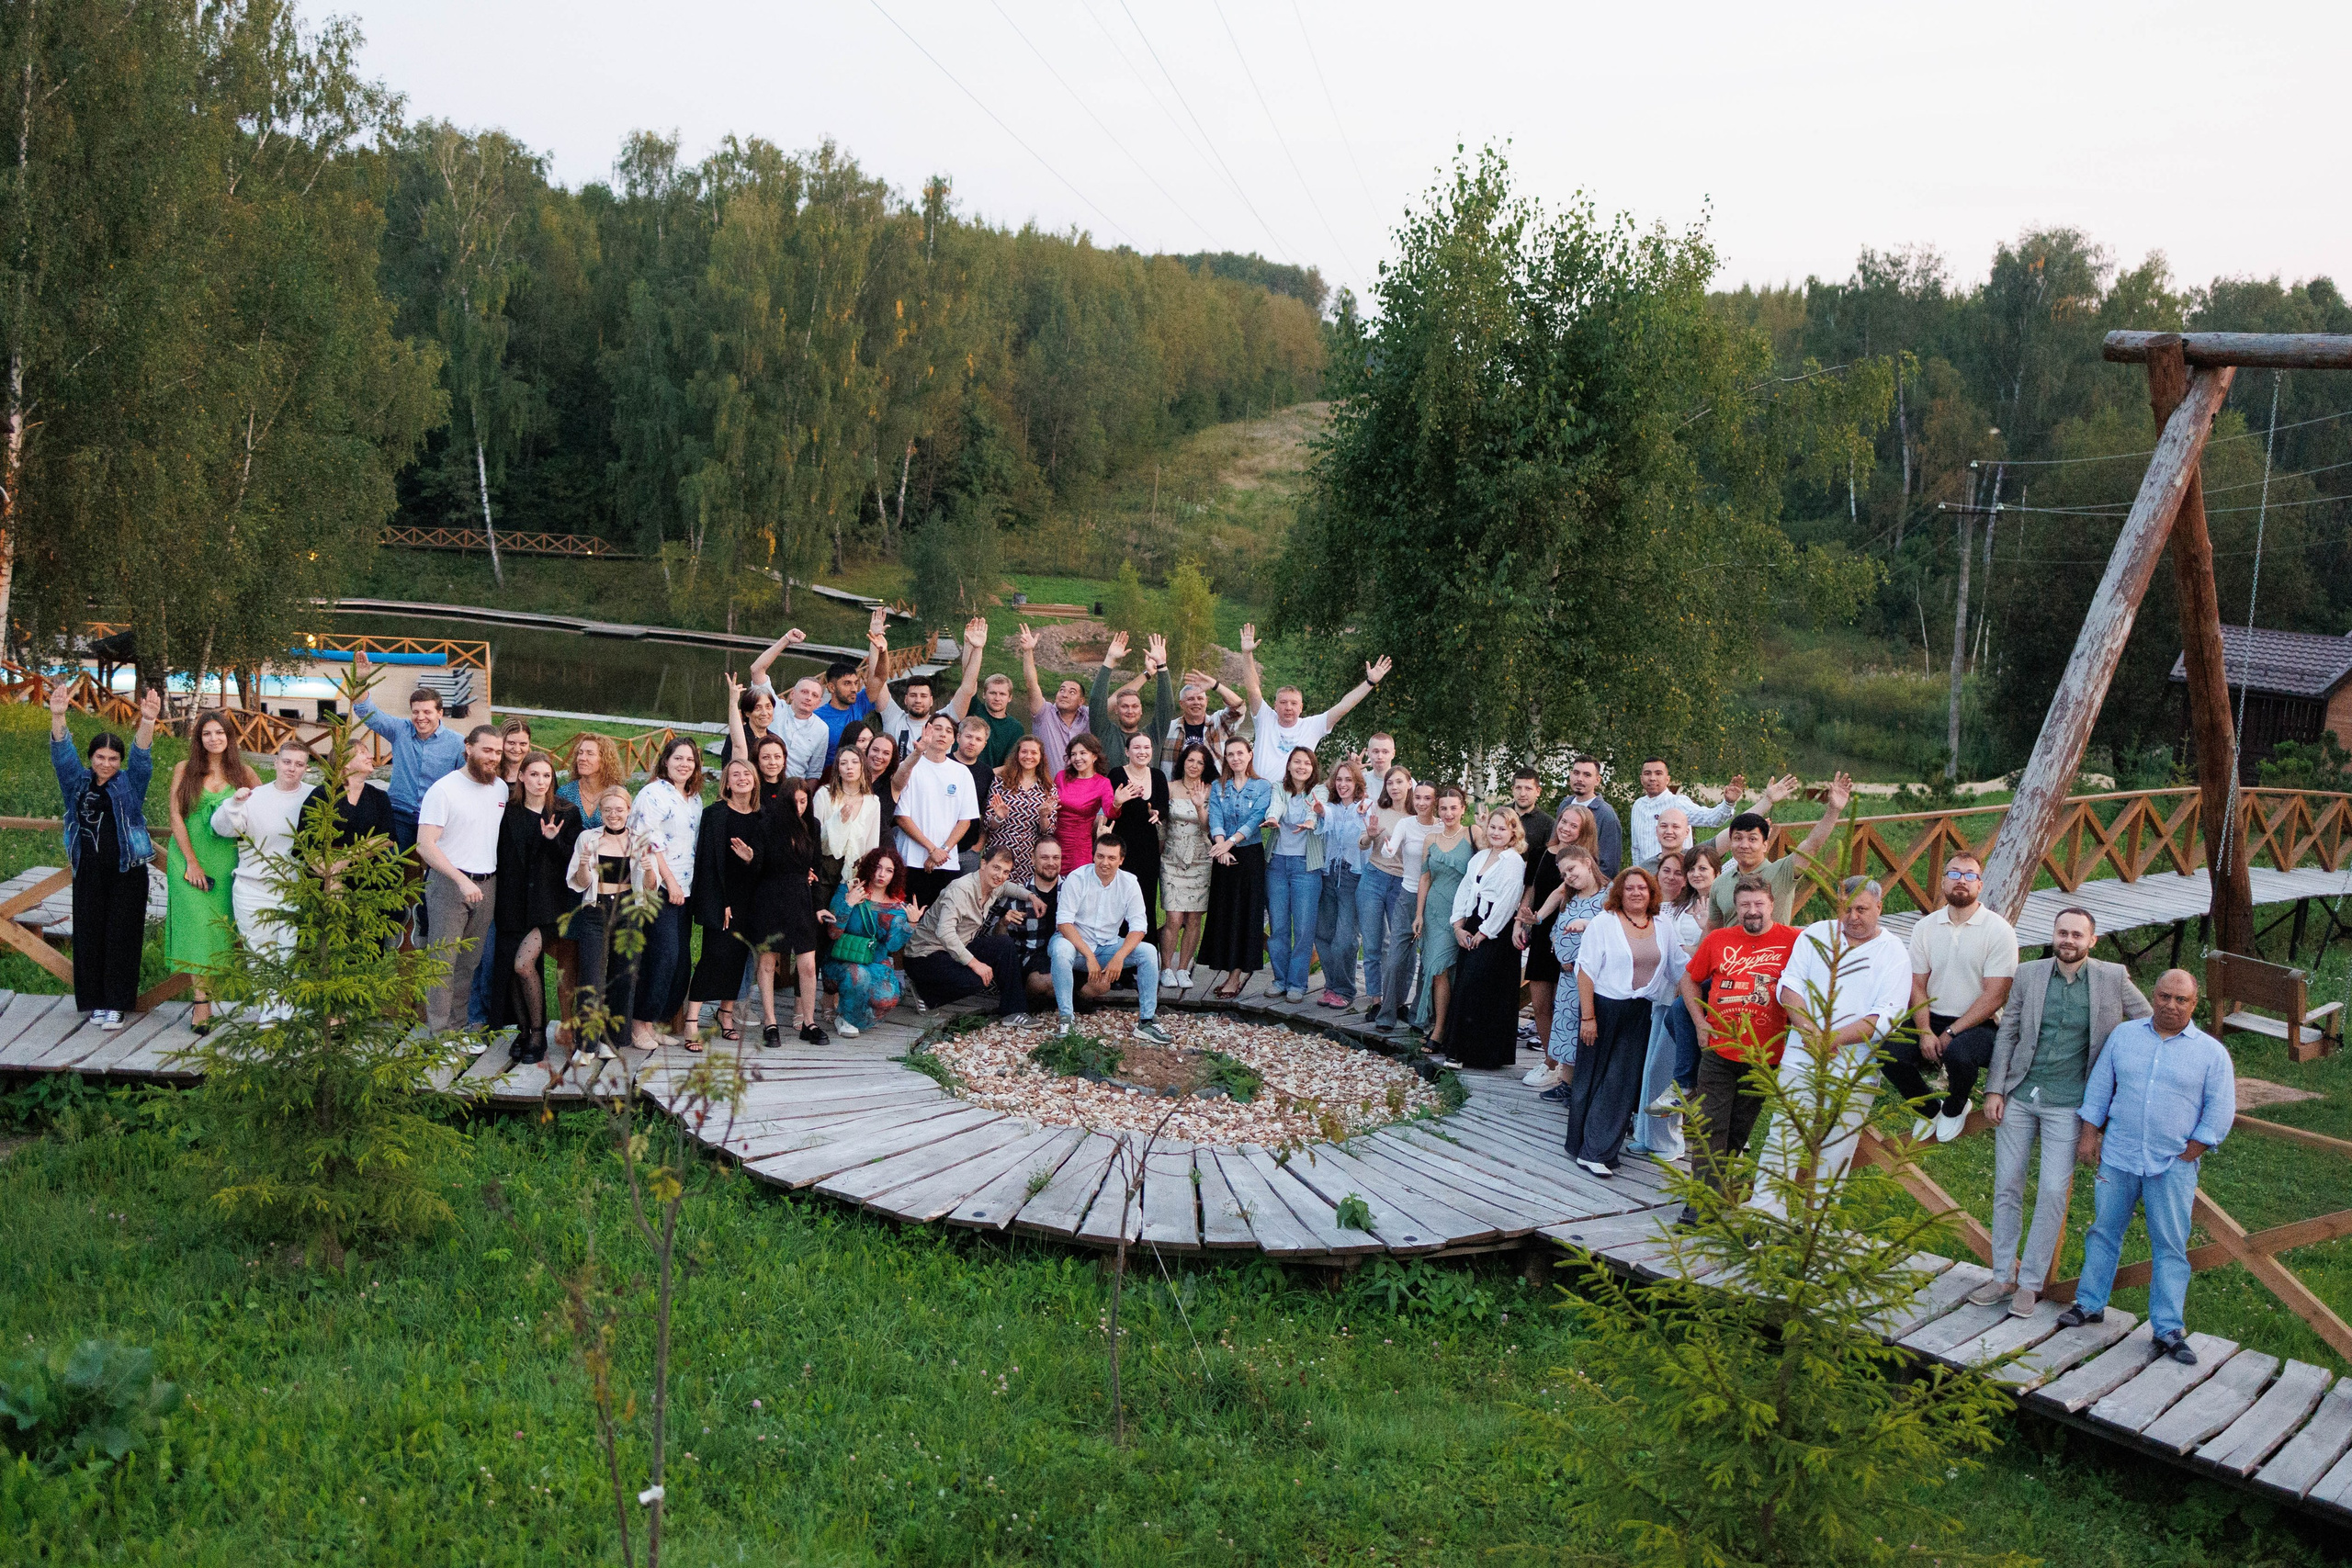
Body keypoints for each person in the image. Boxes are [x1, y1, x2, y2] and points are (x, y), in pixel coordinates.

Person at [1969, 906, 2153, 1317]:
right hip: (2019, 1095)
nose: (2068, 941)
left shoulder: (2112, 977)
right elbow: (2009, 1032)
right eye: (2062, 933)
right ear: (2053, 935)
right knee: (2007, 1186)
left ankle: (2030, 1283)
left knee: (2052, 1191)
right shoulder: (2030, 974)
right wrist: (1994, 1088)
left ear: (2092, 940)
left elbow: (2150, 1021)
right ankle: (2002, 1275)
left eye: (2076, 935)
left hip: (2071, 1104)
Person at [2057, 969, 2233, 1366]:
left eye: (2181, 1000)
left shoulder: (2211, 1054)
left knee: (2170, 1245)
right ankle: (2089, 1303)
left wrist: (2192, 1150)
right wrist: (2089, 1133)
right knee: (2104, 1230)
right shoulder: (2124, 1036)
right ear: (2153, 996)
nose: (2171, 1005)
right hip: (2118, 1155)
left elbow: (2220, 1110)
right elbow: (2101, 1087)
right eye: (2164, 996)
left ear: (2194, 1003)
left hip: (2170, 1163)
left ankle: (2168, 1328)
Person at [1748, 876, 1914, 1217]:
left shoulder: (1894, 952)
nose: (1853, 916)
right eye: (1846, 908)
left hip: (1855, 1069)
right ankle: (1763, 1219)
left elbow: (1887, 1015)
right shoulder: (1816, 935)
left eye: (1862, 909)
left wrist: (1833, 1040)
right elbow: (1789, 987)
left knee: (1836, 1153)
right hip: (1800, 1059)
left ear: (1880, 907)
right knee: (1782, 1140)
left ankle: (1816, 1230)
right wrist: (1811, 1034)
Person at [1676, 874, 1801, 1225]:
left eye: (1758, 904)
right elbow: (1688, 978)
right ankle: (1699, 1202)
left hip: (1765, 1055)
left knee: (1738, 1128)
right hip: (1719, 1049)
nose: (1752, 911)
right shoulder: (1718, 939)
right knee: (1709, 1124)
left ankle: (1718, 1190)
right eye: (1744, 905)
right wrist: (1700, 1023)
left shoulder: (1795, 940)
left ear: (1772, 904)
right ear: (1736, 906)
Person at [1890, 852, 2019, 1143]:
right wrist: (1924, 1030)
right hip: (1931, 1015)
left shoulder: (1999, 931)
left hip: (1980, 1023)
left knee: (1958, 1053)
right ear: (1944, 882)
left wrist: (1952, 1031)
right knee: (1890, 1053)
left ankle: (1955, 1106)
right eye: (1954, 874)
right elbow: (1917, 985)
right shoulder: (1925, 927)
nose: (1962, 880)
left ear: (1980, 885)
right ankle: (1929, 1110)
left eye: (1970, 875)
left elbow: (1995, 995)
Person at [1565, 866, 1684, 1176]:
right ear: (1619, 892)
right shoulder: (1604, 923)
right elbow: (1585, 971)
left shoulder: (1663, 924)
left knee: (1620, 1081)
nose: (1636, 893)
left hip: (1638, 1012)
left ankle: (1597, 1151)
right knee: (1591, 1078)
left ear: (1651, 892)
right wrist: (1587, 1017)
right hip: (1601, 1009)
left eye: (1642, 888)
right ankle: (1583, 1147)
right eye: (1629, 888)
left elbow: (1678, 969)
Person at [413, 726, 508, 1037]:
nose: (493, 757)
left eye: (497, 751)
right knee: (442, 962)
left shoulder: (500, 790)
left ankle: (457, 1028)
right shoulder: (444, 790)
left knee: (468, 963)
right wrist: (460, 879)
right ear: (468, 748)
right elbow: (425, 845)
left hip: (487, 884)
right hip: (448, 884)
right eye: (487, 750)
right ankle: (441, 1035)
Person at [165, 710, 255, 1032]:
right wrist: (191, 862)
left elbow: (265, 808)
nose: (214, 738)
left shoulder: (243, 773)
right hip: (188, 860)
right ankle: (201, 1004)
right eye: (207, 734)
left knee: (220, 931)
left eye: (220, 733)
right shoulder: (184, 770)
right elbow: (175, 815)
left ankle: (225, 997)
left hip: (227, 861)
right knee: (197, 929)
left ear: (229, 737)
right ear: (199, 739)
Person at [490, 750, 581, 1061]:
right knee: (512, 969)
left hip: (549, 906)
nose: (540, 781)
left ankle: (539, 1034)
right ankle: (524, 1030)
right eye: (534, 775)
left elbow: (575, 861)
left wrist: (554, 840)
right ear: (523, 777)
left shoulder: (565, 812)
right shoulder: (509, 811)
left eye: (546, 776)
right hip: (512, 902)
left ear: (552, 779)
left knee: (523, 964)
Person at [1629, 847, 1713, 1159]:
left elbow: (1701, 954)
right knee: (1653, 1070)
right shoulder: (1671, 908)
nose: (1686, 876)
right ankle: (1648, 1135)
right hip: (1664, 994)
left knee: (1669, 1070)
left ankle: (1669, 1141)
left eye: (1687, 870)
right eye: (1675, 871)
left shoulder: (1705, 906)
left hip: (1686, 996)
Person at [1050, 833, 1175, 1042]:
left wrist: (1119, 956)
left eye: (1111, 858)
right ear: (1093, 856)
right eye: (1100, 856)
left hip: (1109, 945)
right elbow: (1064, 923)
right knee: (1061, 950)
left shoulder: (1129, 883)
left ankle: (1147, 1021)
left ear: (1121, 860)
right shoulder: (1077, 878)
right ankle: (1066, 1019)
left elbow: (1139, 927)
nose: (1104, 863)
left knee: (1148, 952)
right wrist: (1089, 956)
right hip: (1076, 944)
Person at [565, 786, 656, 1062]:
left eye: (619, 810)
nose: (613, 815)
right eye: (608, 810)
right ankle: (586, 1044)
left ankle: (612, 1039)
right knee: (592, 977)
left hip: (627, 911)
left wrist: (649, 867)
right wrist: (583, 865)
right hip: (596, 911)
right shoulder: (588, 838)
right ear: (601, 813)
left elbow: (650, 888)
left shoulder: (640, 840)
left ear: (628, 811)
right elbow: (580, 884)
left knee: (624, 977)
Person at [1234, 621, 1389, 782]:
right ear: (1275, 705)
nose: (1288, 707)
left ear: (1301, 707)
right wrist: (1247, 654)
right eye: (1283, 702)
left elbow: (1344, 707)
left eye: (1294, 703)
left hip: (1296, 795)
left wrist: (1369, 683)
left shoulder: (1312, 726)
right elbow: (1253, 689)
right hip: (1261, 793)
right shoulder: (1265, 718)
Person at [627, 738, 705, 1046]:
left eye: (690, 760)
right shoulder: (653, 793)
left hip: (687, 889)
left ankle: (654, 1022)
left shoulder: (694, 797)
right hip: (660, 887)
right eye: (678, 758)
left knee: (681, 961)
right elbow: (646, 840)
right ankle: (638, 1024)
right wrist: (669, 881)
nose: (684, 764)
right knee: (663, 957)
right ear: (666, 760)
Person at [1514, 806, 1600, 1082]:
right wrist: (1522, 921)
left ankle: (1563, 1065)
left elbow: (1561, 891)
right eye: (1563, 821)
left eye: (1573, 825)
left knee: (1565, 1006)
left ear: (1582, 832)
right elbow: (1533, 890)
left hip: (1571, 938)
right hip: (1541, 932)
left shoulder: (1585, 861)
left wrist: (1540, 917)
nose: (1565, 828)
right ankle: (1549, 1060)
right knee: (1540, 1003)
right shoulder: (1541, 854)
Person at [687, 757, 767, 1047]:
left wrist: (752, 858)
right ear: (727, 782)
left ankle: (726, 1014)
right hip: (722, 899)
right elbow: (706, 863)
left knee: (738, 959)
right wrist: (719, 902)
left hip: (750, 901)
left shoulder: (761, 817)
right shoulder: (715, 814)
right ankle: (691, 1022)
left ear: (754, 780)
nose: (742, 778)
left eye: (747, 773)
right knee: (713, 957)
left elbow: (765, 862)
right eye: (735, 774)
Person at [1440, 807, 1528, 1069]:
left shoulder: (1513, 861)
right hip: (1473, 920)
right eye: (1493, 827)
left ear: (1513, 832)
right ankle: (1459, 1050)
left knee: (1479, 987)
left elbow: (1508, 900)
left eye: (1503, 828)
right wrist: (1458, 924)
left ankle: (1481, 1054)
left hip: (1495, 930)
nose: (1497, 833)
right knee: (1465, 983)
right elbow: (1465, 888)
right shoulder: (1480, 857)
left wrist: (1485, 932)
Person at [351, 654, 465, 851]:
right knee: (387, 865)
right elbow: (366, 712)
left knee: (437, 871)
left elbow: (465, 784)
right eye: (416, 712)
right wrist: (361, 681)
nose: (420, 718)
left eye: (427, 712)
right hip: (398, 814)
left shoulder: (458, 743)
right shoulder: (400, 730)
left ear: (440, 713)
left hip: (436, 819)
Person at [902, 846, 1031, 1017]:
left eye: (1006, 872)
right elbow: (944, 932)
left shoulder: (993, 885)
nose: (1000, 876)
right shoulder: (961, 889)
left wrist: (1032, 897)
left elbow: (1007, 887)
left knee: (1004, 944)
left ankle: (1014, 1012)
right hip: (924, 956)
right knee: (977, 980)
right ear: (983, 863)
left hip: (951, 951)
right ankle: (926, 993)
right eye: (996, 868)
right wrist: (975, 964)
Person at [1710, 773, 1851, 927]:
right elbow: (1712, 929)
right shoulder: (1719, 883)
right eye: (1738, 838)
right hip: (1733, 950)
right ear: (1731, 843)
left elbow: (1811, 846)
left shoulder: (1783, 872)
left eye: (1752, 839)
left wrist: (1833, 810)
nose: (1744, 845)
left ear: (1765, 844)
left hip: (1774, 950)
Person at [1201, 737, 1276, 998]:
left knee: (1246, 915)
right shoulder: (1218, 786)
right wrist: (1220, 845)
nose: (1235, 759)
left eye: (1239, 753)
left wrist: (1229, 843)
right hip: (1223, 856)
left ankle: (1236, 975)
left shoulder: (1262, 786)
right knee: (1225, 913)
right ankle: (1227, 967)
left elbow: (1257, 819)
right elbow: (1215, 816)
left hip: (1249, 856)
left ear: (1250, 754)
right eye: (1230, 754)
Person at [755, 780, 828, 1046]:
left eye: (803, 801)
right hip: (771, 896)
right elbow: (762, 865)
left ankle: (809, 1022)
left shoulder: (813, 825)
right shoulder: (766, 824)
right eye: (794, 801)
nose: (799, 807)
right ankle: (770, 1021)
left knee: (808, 965)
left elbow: (816, 867)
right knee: (768, 961)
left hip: (801, 897)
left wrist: (819, 904)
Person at [1535, 845, 1611, 1090]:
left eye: (1571, 869)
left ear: (1587, 863)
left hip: (1593, 978)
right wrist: (1559, 950)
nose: (1568, 876)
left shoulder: (1608, 896)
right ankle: (1565, 1083)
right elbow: (1557, 930)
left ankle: (1584, 1086)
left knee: (1586, 1029)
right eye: (1564, 874)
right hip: (1567, 976)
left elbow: (1612, 932)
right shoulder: (1571, 898)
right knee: (1566, 1026)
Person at [822, 847, 917, 1035]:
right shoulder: (848, 890)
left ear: (895, 875)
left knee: (888, 997)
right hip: (843, 959)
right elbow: (833, 933)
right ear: (870, 867)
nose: (882, 874)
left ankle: (853, 1015)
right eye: (878, 867)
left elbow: (892, 945)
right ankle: (846, 1018)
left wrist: (911, 924)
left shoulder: (897, 906)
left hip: (876, 961)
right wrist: (848, 903)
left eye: (889, 870)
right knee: (859, 976)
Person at [1371, 780, 1441, 1032]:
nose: (1421, 803)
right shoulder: (1405, 824)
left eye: (1427, 798)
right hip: (1408, 894)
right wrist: (1387, 846)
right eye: (1418, 798)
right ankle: (1386, 1013)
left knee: (1428, 960)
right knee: (1395, 958)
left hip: (1436, 901)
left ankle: (1419, 1015)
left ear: (1436, 801)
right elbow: (1390, 852)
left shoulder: (1444, 827)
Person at [894, 713, 979, 908]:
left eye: (949, 731)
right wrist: (932, 849)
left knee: (937, 923)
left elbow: (965, 820)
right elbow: (901, 816)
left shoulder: (961, 773)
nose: (942, 734)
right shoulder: (910, 767)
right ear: (926, 731)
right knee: (908, 920)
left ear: (954, 739)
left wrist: (943, 850)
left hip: (946, 862)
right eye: (937, 728)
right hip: (912, 860)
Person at [1409, 785, 1474, 1038]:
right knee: (1438, 969)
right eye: (1444, 808)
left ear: (1463, 809)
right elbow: (1424, 879)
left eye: (1453, 808)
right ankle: (1438, 1028)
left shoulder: (1473, 834)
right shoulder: (1431, 839)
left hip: (1461, 912)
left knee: (1450, 969)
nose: (1448, 814)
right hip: (1435, 911)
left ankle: (1448, 1027)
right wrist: (1418, 914)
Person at [1265, 746, 1326, 1002]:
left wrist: (1312, 821)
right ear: (1289, 765)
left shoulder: (1319, 790)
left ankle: (1297, 984)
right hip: (1277, 864)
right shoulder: (1279, 787)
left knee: (1303, 928)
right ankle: (1280, 979)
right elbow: (1276, 805)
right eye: (1296, 762)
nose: (1302, 767)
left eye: (1307, 763)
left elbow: (1316, 809)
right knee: (1278, 927)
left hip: (1306, 867)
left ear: (1313, 768)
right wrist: (1271, 818)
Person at [1357, 766, 1416, 1024]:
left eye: (1399, 782)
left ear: (1409, 784)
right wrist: (1368, 837)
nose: (1394, 787)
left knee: (1403, 946)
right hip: (1374, 877)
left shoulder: (1419, 815)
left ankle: (1399, 1002)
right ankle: (1376, 1001)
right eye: (1390, 783)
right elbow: (1361, 842)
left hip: (1404, 884)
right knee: (1372, 944)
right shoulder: (1377, 810)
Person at [1315, 759, 1374, 1010]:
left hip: (1353, 876)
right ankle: (1331, 985)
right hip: (1329, 874)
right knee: (1323, 934)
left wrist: (1365, 818)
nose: (1342, 784)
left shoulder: (1366, 807)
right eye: (1339, 780)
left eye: (1348, 780)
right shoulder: (1331, 806)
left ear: (1357, 782)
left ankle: (1346, 989)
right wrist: (1319, 812)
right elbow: (1324, 815)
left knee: (1345, 939)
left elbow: (1369, 835)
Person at [1159, 741, 1215, 989]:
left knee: (1194, 919)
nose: (1194, 766)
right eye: (1190, 760)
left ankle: (1184, 968)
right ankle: (1165, 967)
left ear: (1206, 766)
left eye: (1200, 762)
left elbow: (1209, 829)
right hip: (1172, 858)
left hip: (1201, 859)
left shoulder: (1211, 790)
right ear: (1183, 762)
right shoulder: (1169, 788)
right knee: (1173, 917)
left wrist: (1200, 805)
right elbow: (1161, 824)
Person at [1627, 757, 1746, 868]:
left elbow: (1712, 818)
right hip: (1648, 877)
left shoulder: (1678, 803)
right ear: (1641, 779)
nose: (1652, 778)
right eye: (1648, 773)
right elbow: (1636, 848)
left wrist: (1728, 803)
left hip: (1677, 873)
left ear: (1667, 779)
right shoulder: (1638, 805)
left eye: (1658, 773)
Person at [1108, 731, 1169, 947]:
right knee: (1120, 901)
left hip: (1149, 848)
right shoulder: (1116, 774)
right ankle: (1119, 961)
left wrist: (1157, 813)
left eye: (1146, 748)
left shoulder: (1159, 776)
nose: (1142, 752)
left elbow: (1163, 806)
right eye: (1137, 747)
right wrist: (1118, 801)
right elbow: (1109, 811)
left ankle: (1146, 956)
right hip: (1122, 847)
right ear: (1127, 751)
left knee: (1145, 902)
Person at [991, 835, 1065, 1004]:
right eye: (1044, 857)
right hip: (1031, 957)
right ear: (1032, 859)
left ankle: (1064, 1000)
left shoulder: (1072, 890)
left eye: (1056, 857)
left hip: (1066, 954)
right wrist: (1004, 922)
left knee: (1099, 985)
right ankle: (1031, 998)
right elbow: (994, 938)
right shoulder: (1016, 894)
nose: (1051, 862)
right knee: (1043, 981)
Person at [1016, 623, 1093, 777]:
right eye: (1061, 690)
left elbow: (1114, 702)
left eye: (1072, 692)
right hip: (1047, 790)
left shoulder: (1088, 716)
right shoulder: (1044, 713)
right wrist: (1028, 651)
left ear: (1081, 701)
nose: (1064, 694)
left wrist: (1147, 673)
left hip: (1080, 794)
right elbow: (1031, 683)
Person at [1091, 631, 1177, 766]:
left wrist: (1161, 664)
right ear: (1116, 710)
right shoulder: (1104, 733)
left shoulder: (1153, 736)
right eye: (1124, 706)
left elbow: (1166, 707)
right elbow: (1097, 702)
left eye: (1135, 706)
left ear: (1141, 710)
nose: (1130, 710)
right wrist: (1110, 659)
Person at [988, 735, 1058, 886]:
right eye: (1024, 752)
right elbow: (988, 825)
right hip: (1000, 852)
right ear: (1017, 754)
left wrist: (1043, 817)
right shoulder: (1000, 782)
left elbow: (1048, 831)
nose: (1028, 756)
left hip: (1029, 856)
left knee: (1023, 902)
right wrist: (999, 817)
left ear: (1041, 757)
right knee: (994, 900)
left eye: (1034, 753)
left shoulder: (1048, 787)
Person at [812, 743, 883, 894]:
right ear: (837, 769)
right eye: (843, 763)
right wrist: (838, 822)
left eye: (855, 762)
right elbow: (813, 837)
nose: (849, 767)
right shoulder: (824, 795)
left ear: (862, 767)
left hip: (855, 872)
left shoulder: (873, 802)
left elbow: (872, 844)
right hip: (825, 869)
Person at [300, 743, 397, 848]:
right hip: (325, 861)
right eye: (362, 752)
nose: (371, 756)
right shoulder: (323, 794)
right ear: (345, 762)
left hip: (369, 862)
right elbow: (305, 840)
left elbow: (388, 837)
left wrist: (349, 857)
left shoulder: (379, 796)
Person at [1052, 732, 1117, 873]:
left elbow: (1110, 812)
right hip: (1054, 844)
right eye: (1073, 754)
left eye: (1083, 753)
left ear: (1094, 756)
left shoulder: (1103, 783)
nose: (1077, 758)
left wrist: (1118, 802)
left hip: (1079, 849)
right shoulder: (1061, 777)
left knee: (1077, 888)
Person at [1163, 669, 1249, 773]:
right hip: (1177, 786)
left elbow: (1239, 708)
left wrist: (1215, 685)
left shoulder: (1219, 723)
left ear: (1206, 701)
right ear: (1181, 704)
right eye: (1190, 699)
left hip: (1214, 787)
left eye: (1200, 698)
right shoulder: (1168, 728)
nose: (1196, 702)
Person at [1553, 757, 1624, 879]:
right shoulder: (1565, 804)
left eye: (1587, 775)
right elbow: (1555, 842)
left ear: (1597, 780)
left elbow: (1609, 866)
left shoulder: (1606, 815)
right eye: (1576, 773)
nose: (1579, 779)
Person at [951, 715, 1000, 871]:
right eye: (968, 737)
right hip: (937, 846)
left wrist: (979, 845)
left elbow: (986, 812)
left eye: (978, 739)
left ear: (984, 745)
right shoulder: (943, 763)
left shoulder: (986, 773)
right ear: (958, 737)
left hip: (968, 850)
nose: (972, 743)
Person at [559, 732, 625, 812]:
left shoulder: (618, 793)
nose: (582, 758)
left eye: (590, 754)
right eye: (580, 753)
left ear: (605, 760)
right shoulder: (565, 793)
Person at [1509, 768, 1553, 865]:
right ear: (1513, 789)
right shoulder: (1501, 815)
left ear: (1538, 791)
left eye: (1528, 789)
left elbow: (1547, 859)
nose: (1522, 794)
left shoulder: (1547, 823)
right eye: (1518, 788)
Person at [496, 717, 534, 784]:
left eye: (523, 744)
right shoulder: (488, 773)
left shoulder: (540, 772)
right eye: (511, 743)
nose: (517, 749)